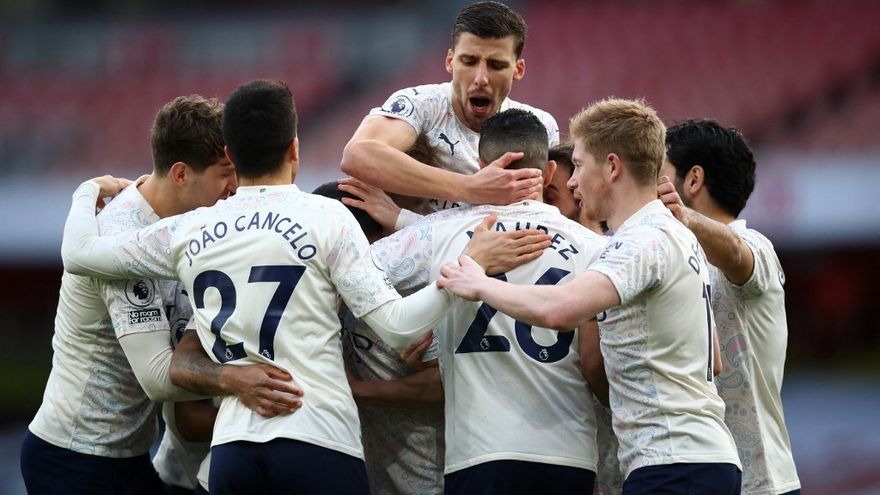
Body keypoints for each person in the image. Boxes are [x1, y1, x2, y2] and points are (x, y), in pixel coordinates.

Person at [59, 79, 459, 495]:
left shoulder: (188, 229)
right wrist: (459, 279)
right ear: (294, 149)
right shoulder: (328, 217)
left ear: (231, 155)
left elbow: (79, 254)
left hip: (234, 452)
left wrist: (86, 194)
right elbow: (399, 326)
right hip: (318, 439)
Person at [438, 98, 743, 495]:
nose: (571, 182)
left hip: (673, 463)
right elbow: (712, 360)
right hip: (702, 455)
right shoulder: (676, 235)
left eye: (580, 165)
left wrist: (479, 282)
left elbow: (561, 310)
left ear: (612, 167)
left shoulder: (641, 242)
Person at [20, 95, 300, 495]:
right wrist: (240, 381)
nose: (235, 187)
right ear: (181, 174)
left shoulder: (188, 225)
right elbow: (157, 378)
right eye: (225, 173)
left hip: (127, 455)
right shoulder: (119, 238)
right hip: (75, 458)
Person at [369, 108, 606, 494]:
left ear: (481, 167)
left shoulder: (437, 235)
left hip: (479, 453)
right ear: (549, 172)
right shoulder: (595, 248)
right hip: (569, 455)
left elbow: (347, 275)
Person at [659, 119, 801, 495]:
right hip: (695, 476)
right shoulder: (666, 253)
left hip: (759, 482)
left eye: (659, 174)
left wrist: (681, 216)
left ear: (693, 179)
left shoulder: (756, 246)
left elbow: (737, 254)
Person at [340, 1, 558, 217]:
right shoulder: (423, 105)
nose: (481, 79)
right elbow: (358, 154)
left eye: (496, 65)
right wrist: (470, 188)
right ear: (450, 61)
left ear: (518, 70)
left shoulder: (539, 126)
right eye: (469, 61)